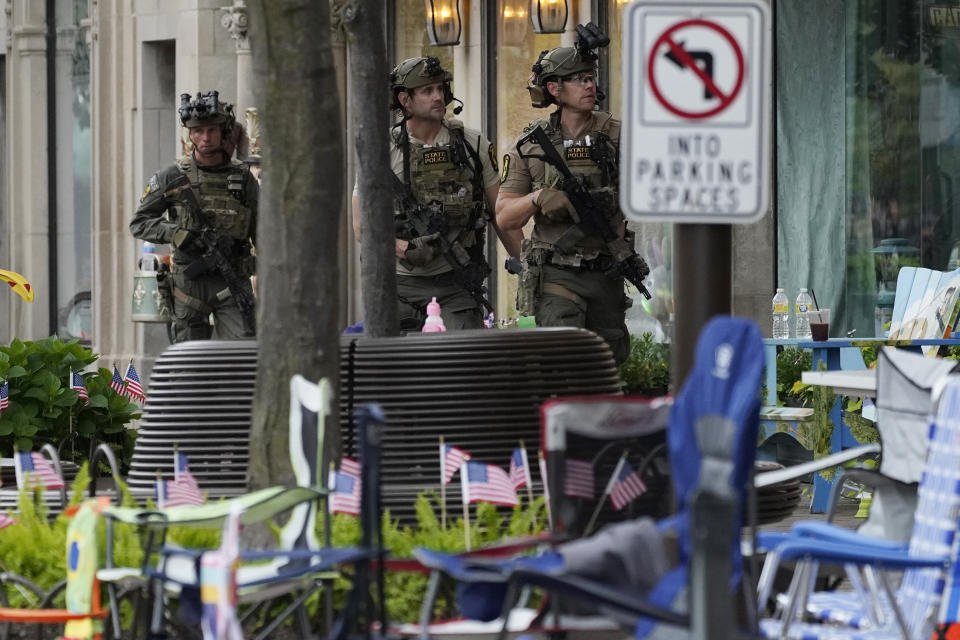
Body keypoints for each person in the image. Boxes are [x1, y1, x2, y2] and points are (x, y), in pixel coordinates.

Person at [497, 33, 646, 365]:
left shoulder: (620, 136)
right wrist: (537, 198)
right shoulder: (532, 144)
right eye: (579, 79)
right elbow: (505, 216)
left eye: (591, 78)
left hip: (606, 272)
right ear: (554, 89)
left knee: (607, 369)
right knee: (564, 364)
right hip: (556, 275)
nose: (589, 85)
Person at [352, 56, 522, 331]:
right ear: (405, 100)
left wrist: (526, 268)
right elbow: (362, 226)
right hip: (399, 285)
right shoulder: (381, 150)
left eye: (441, 89)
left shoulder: (472, 144)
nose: (438, 97)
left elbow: (500, 214)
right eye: (427, 91)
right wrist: (403, 248)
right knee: (397, 369)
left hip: (457, 283)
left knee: (466, 366)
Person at [130, 90, 259, 342]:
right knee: (189, 360)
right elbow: (139, 223)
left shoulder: (243, 178)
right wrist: (176, 233)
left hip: (232, 279)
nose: (206, 137)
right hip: (189, 283)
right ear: (190, 134)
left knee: (243, 352)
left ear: (224, 131)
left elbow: (263, 229)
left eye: (212, 130)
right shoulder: (172, 176)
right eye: (198, 131)